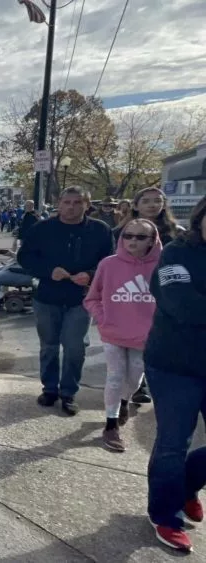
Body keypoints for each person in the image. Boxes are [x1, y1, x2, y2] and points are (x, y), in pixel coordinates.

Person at [143, 196, 206, 552]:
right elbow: (182, 304)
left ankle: (186, 485)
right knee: (172, 443)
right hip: (173, 365)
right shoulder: (176, 254)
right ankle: (165, 516)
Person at [18, 188, 115, 415]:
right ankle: (49, 389)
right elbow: (25, 257)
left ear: (87, 205)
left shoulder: (100, 230)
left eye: (77, 202)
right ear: (59, 204)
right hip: (48, 296)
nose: (71, 207)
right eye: (67, 202)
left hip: (80, 299)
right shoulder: (42, 229)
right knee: (49, 346)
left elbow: (109, 262)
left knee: (74, 347)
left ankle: (69, 392)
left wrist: (90, 275)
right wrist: (48, 271)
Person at [83, 218, 161, 452]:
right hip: (113, 332)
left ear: (152, 240)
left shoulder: (162, 265)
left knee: (135, 377)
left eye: (140, 237)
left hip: (145, 334)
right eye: (128, 235)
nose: (132, 241)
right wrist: (102, 316)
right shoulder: (108, 264)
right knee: (115, 376)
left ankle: (125, 402)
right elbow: (92, 297)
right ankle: (110, 424)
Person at [112, 187, 185, 404]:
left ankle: (150, 382)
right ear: (136, 205)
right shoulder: (121, 232)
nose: (152, 205)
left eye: (157, 200)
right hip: (132, 292)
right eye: (146, 201)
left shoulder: (176, 233)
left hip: (164, 294)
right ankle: (136, 387)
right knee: (130, 343)